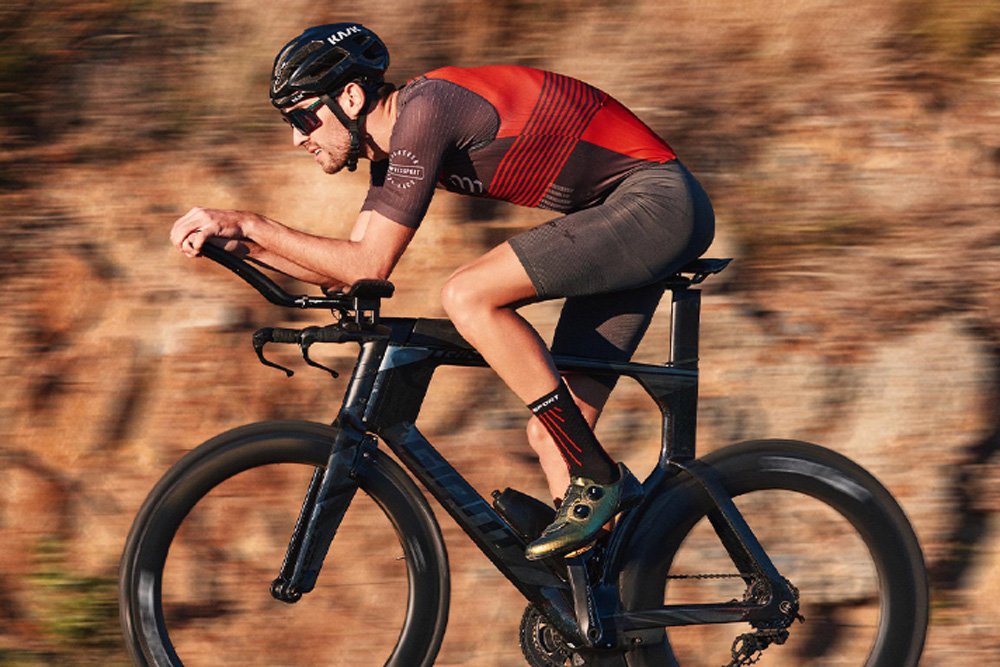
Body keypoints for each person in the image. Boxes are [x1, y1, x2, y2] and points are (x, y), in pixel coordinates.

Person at [170, 22, 715, 560]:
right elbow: (350, 274)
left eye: (302, 117)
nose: (297, 137)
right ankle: (606, 593)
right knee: (552, 439)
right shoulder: (393, 151)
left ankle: (598, 477)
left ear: (351, 98)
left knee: (467, 293)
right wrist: (245, 245)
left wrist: (252, 222)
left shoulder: (427, 110)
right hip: (618, 219)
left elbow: (369, 261)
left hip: (656, 205)